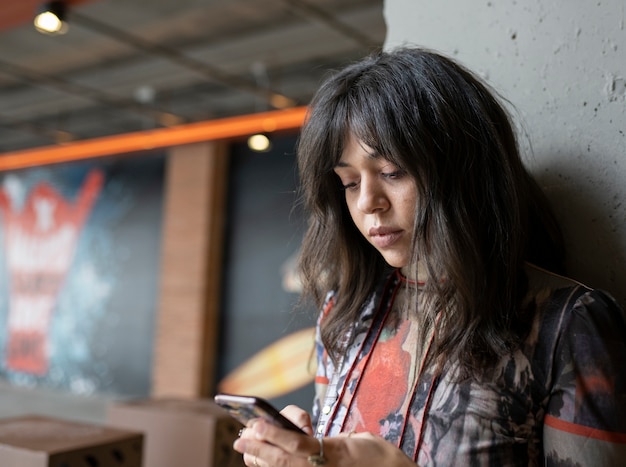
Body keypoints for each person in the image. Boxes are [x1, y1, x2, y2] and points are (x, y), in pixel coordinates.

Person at [233, 47, 626, 466]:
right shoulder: (345, 311)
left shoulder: (568, 326)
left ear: (463, 170)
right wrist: (307, 455)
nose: (368, 202)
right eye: (349, 182)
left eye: (391, 172)